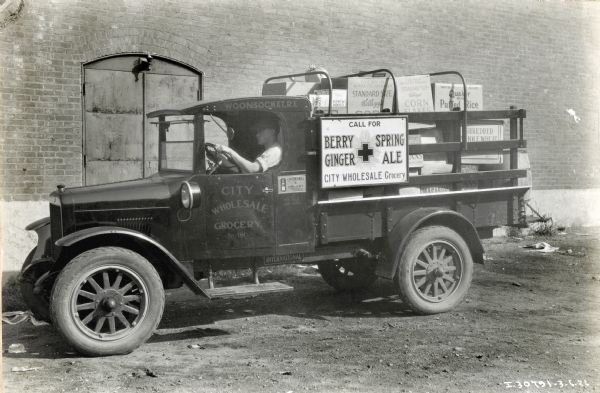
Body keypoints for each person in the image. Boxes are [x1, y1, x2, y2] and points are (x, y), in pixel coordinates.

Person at [216, 119, 282, 173]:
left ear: (272, 132)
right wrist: (223, 160)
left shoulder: (274, 150)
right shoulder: (268, 151)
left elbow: (252, 169)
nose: (257, 135)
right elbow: (245, 172)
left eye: (261, 130)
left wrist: (229, 151)